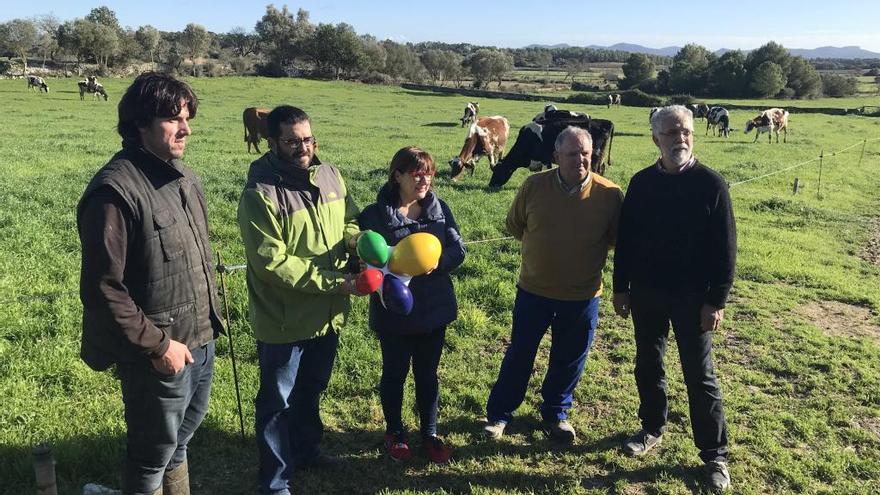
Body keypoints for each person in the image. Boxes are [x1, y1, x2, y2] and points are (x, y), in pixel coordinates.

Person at [77, 72, 223, 495]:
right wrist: (158, 346)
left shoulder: (184, 178)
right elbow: (103, 289)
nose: (186, 128)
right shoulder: (114, 191)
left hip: (200, 340)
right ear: (140, 123)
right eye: (173, 119)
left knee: (178, 447)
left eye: (187, 117)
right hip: (158, 353)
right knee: (151, 454)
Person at [237, 105, 363, 495]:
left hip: (326, 316)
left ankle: (307, 450)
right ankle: (275, 482)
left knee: (311, 389)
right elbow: (273, 263)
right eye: (292, 141)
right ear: (272, 142)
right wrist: (335, 284)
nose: (302, 147)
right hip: (285, 319)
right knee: (277, 402)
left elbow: (351, 219)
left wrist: (358, 242)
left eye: (307, 139)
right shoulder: (260, 194)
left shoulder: (330, 175)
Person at [612, 105, 737, 492]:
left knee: (700, 376)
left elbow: (726, 249)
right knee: (648, 364)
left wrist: (716, 300)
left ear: (692, 136)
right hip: (647, 293)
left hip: (693, 298)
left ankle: (714, 456)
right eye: (670, 133)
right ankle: (652, 428)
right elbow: (627, 240)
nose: (679, 138)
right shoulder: (641, 183)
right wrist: (620, 287)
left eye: (685, 131)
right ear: (655, 139)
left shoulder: (711, 185)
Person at [484, 126, 623, 443]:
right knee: (520, 353)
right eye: (572, 154)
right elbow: (516, 226)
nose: (580, 160)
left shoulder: (610, 194)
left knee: (569, 358)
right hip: (534, 291)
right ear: (556, 156)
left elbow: (616, 240)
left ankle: (556, 415)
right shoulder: (533, 186)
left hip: (582, 295)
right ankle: (500, 415)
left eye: (586, 153)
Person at [358, 146, 466, 464]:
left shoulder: (440, 209)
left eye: (429, 173)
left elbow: (458, 249)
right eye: (417, 173)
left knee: (428, 375)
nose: (425, 179)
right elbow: (362, 257)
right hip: (394, 312)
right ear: (397, 175)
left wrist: (439, 262)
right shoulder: (374, 215)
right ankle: (395, 433)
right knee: (394, 373)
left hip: (433, 310)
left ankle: (430, 434)